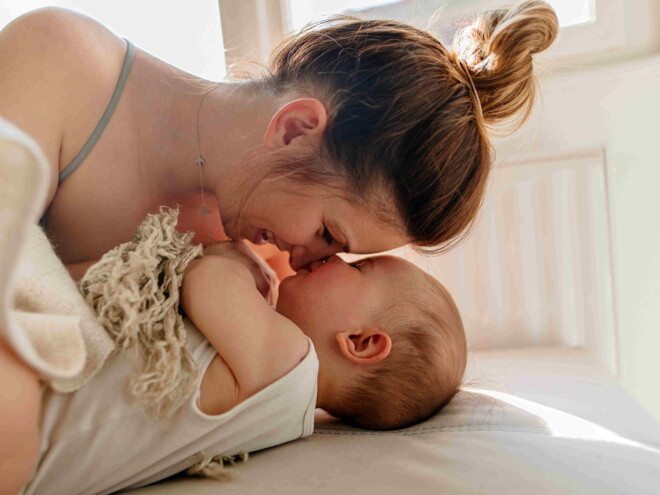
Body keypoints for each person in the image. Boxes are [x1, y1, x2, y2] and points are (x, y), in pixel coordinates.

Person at [0, 1, 558, 282]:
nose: (311, 261)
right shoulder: (62, 66)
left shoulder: (253, 256)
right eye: (328, 234)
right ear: (294, 129)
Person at [19, 240, 466, 494]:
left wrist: (236, 258)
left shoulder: (289, 363)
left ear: (362, 343)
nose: (333, 257)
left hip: (24, 425)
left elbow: (205, 278)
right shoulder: (284, 402)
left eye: (359, 267)